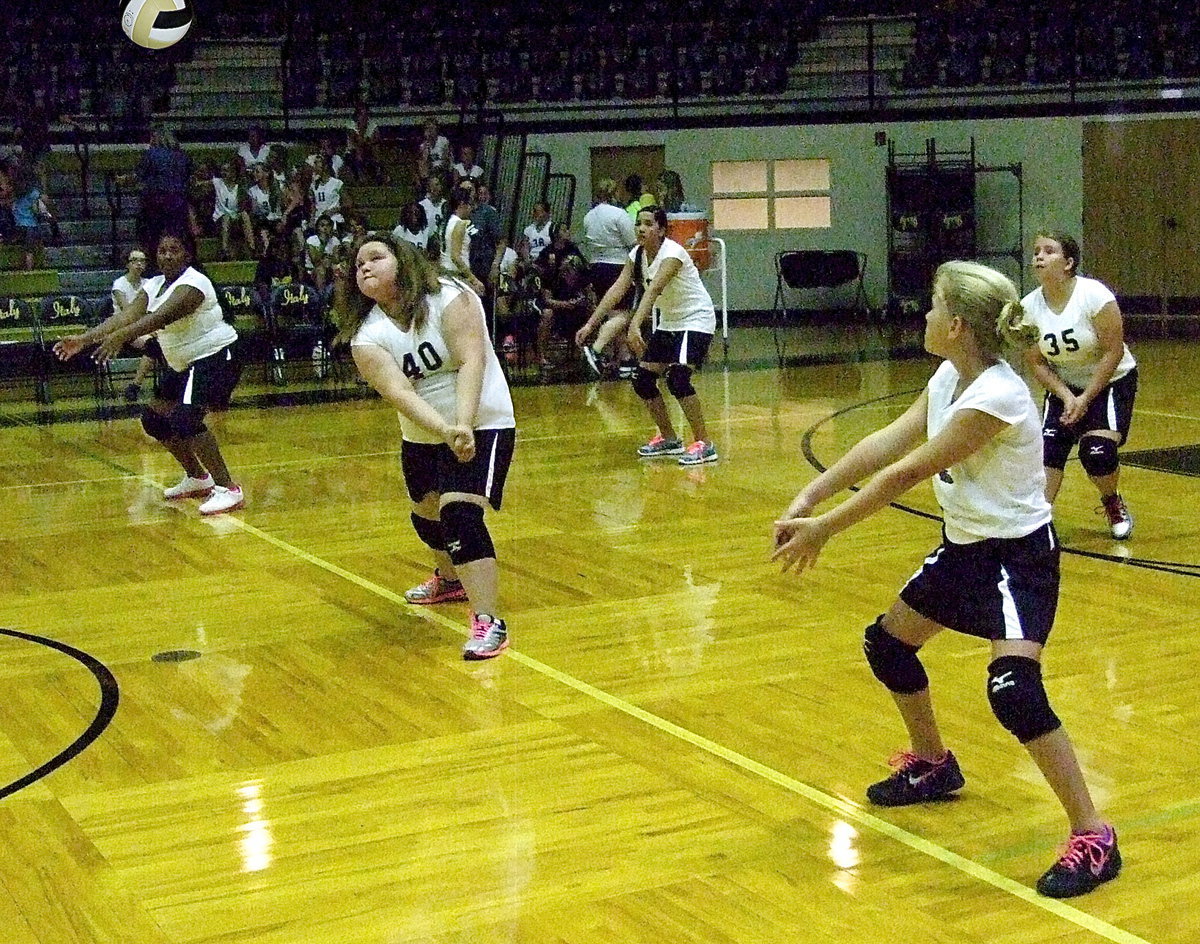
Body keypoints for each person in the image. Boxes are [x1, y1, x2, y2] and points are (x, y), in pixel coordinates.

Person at [772, 260, 1121, 900]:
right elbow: (887, 441)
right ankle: (934, 764)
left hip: (1017, 562)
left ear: (956, 324)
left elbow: (905, 473)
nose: (924, 316)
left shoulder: (997, 395)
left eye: (933, 308)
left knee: (1013, 692)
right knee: (888, 645)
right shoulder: (948, 377)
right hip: (964, 552)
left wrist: (827, 528)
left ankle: (1093, 833)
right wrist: (809, 495)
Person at [334, 235, 516, 660]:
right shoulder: (366, 337)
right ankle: (450, 580)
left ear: (403, 260)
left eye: (376, 257)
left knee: (460, 514)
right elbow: (399, 393)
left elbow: (473, 360)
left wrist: (464, 425)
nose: (364, 266)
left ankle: (489, 622)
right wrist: (445, 429)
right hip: (422, 433)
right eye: (358, 262)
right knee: (426, 514)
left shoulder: (450, 297)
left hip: (485, 420)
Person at [53, 231, 246, 516]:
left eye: (174, 250)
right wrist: (84, 339)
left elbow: (159, 318)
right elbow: (126, 315)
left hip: (216, 356)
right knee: (155, 419)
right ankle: (197, 478)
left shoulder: (194, 283)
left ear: (187, 255)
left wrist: (120, 337)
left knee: (186, 417)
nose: (167, 255)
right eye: (162, 250)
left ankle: (228, 488)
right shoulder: (154, 285)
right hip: (185, 362)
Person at [1021, 231, 1138, 539]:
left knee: (1096, 452)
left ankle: (1112, 501)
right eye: (1036, 251)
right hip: (1065, 386)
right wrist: (1065, 395)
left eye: (1049, 251)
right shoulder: (1028, 308)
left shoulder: (1094, 296)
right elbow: (1036, 362)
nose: (1039, 256)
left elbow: (1113, 351)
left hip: (1110, 382)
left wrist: (1085, 398)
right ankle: (1038, 522)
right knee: (1048, 450)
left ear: (1069, 262)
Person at [589, 205, 718, 465]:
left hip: (695, 320)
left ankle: (705, 443)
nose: (641, 229)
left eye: (648, 224)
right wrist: (591, 324)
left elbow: (654, 289)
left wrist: (635, 324)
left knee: (678, 379)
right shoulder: (636, 254)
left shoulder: (673, 253)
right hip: (671, 322)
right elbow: (618, 288)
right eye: (639, 224)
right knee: (643, 380)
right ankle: (669, 438)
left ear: (661, 230)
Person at [576, 177, 636, 376]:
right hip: (618, 266)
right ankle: (601, 350)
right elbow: (632, 241)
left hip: (596, 267)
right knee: (624, 313)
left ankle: (623, 358)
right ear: (614, 192)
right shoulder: (619, 215)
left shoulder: (588, 217)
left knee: (612, 312)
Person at [110, 248, 159, 401]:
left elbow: (155, 309)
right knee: (153, 345)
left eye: (142, 261)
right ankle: (135, 385)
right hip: (124, 328)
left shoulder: (149, 283)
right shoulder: (119, 284)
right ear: (127, 264)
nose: (139, 264)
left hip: (146, 326)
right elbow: (129, 313)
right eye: (135, 260)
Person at [440, 184, 485, 296]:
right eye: (469, 204)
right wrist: (473, 279)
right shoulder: (459, 224)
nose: (471, 208)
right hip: (455, 275)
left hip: (446, 272)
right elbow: (455, 257)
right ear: (461, 204)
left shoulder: (447, 222)